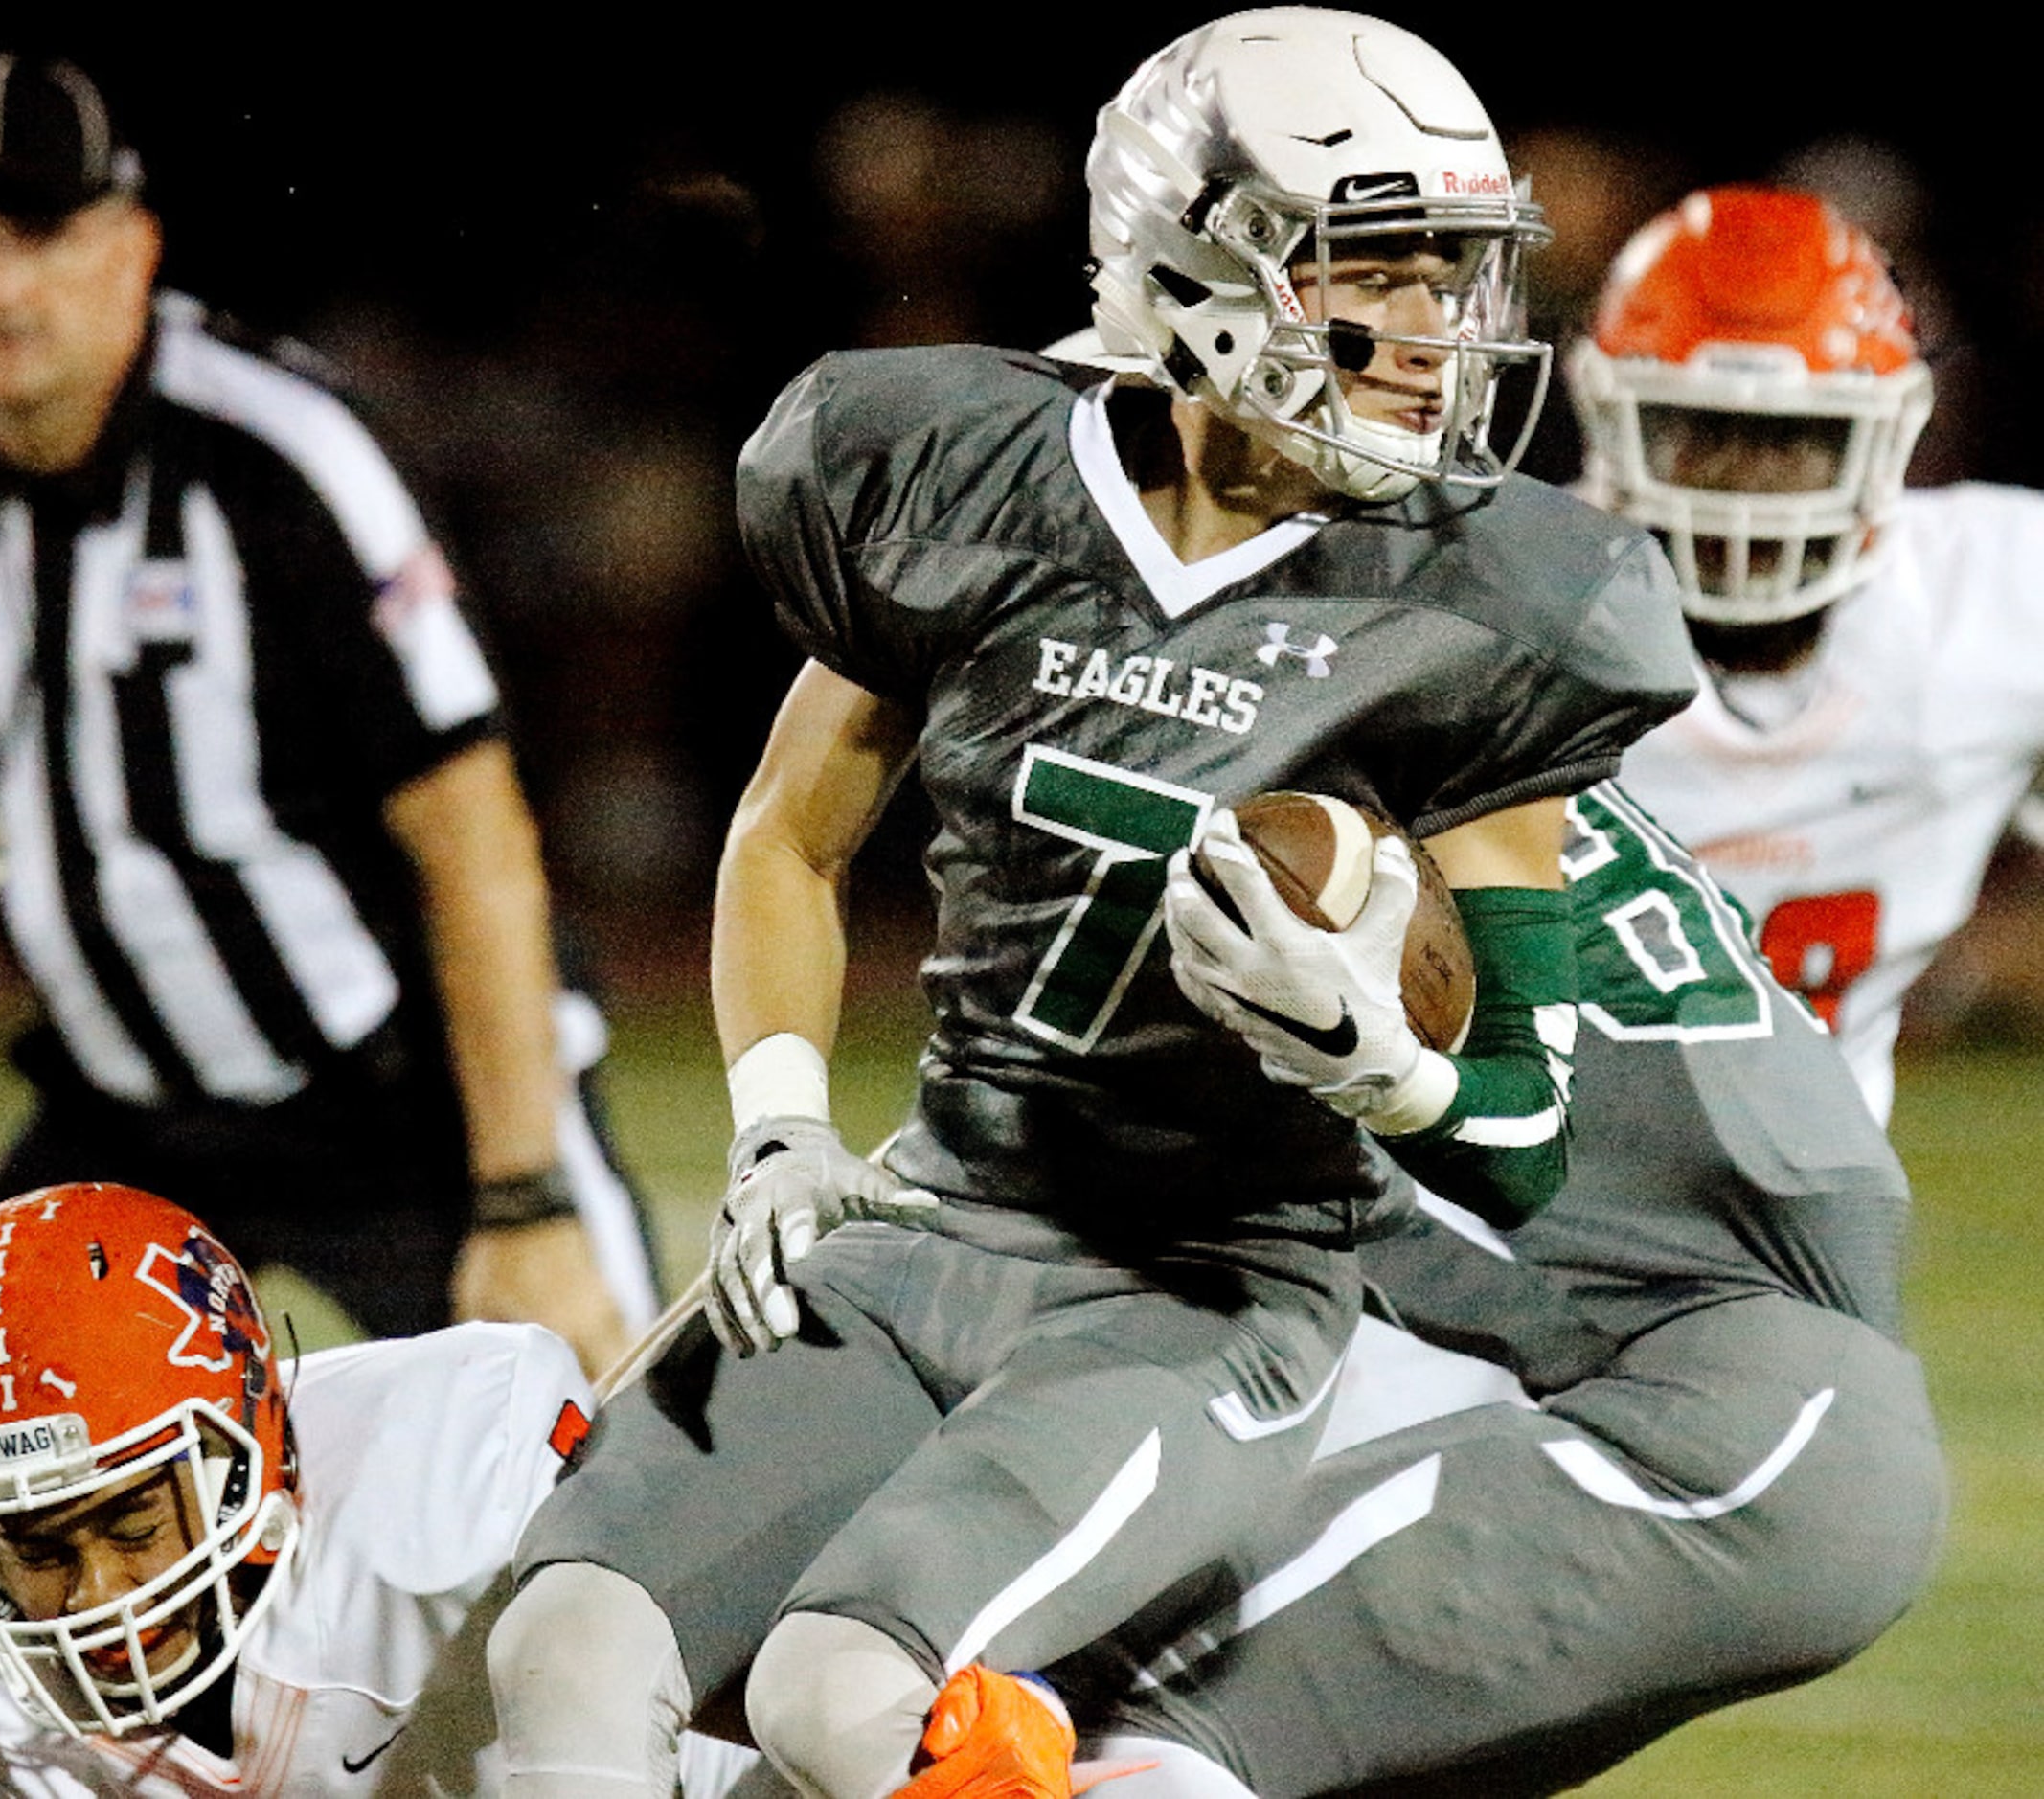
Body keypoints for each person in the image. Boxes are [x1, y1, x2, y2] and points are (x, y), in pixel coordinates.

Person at [485, 13, 1697, 1799]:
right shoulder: (958, 473)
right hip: (931, 1215)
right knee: (560, 1651)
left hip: (1204, 1286)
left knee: (840, 1691)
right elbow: (786, 840)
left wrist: (1391, 1073)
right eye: (1379, 268)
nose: (1442, 327)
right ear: (1198, 262)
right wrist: (776, 1134)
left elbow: (1522, 1126)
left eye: (1454, 271)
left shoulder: (1488, 593)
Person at [0, 54, 660, 1597]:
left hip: (401, 1095)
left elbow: (470, 829)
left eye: (43, 234)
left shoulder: (277, 455)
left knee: (610, 1486)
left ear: (131, 245)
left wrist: (522, 1188)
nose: (3, 283)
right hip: (130, 1110)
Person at [1045, 782, 1947, 1794]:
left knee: (1124, 1717)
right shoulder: (1519, 792)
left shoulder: (1344, 807)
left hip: (1734, 1440)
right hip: (1779, 1437)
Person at [0, 1181, 752, 1796]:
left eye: (130, 1521)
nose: (97, 1600)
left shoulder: (450, 1483)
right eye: (37, 1551)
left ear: (240, 1450)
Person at [1573, 183, 2044, 1123]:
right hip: (1503, 1202)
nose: (1746, 485)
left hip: (1800, 1214)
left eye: (1791, 438)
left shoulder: (1996, 593)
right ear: (1616, 420)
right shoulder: (1502, 607)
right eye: (1706, 435)